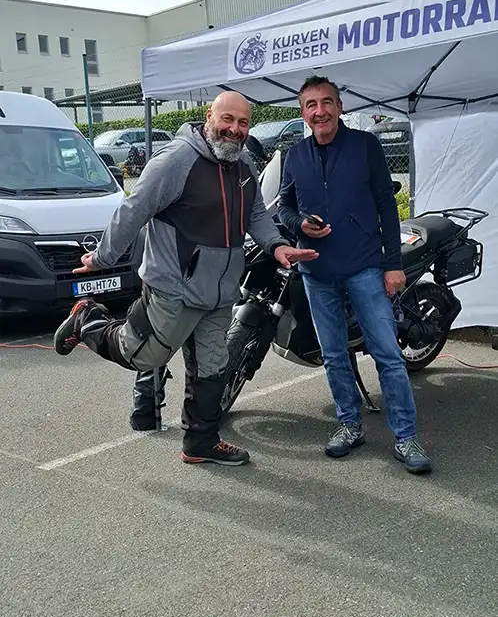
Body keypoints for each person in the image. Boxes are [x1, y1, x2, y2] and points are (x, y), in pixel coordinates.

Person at [53, 92, 318, 467]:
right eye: (228, 119)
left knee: (213, 366)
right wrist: (102, 258)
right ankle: (87, 319)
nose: (235, 129)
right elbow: (133, 209)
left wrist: (276, 246)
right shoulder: (177, 159)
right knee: (142, 355)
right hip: (174, 286)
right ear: (209, 116)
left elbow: (256, 213)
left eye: (243, 123)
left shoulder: (242, 163)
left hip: (220, 291)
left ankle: (200, 442)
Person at [278, 75, 432, 475]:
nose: (320, 111)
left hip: (365, 268)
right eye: (311, 105)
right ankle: (349, 425)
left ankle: (405, 436)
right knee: (333, 356)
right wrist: (299, 225)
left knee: (388, 355)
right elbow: (284, 208)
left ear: (340, 107)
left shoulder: (365, 146)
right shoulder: (294, 155)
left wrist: (393, 263)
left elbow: (386, 206)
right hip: (317, 272)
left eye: (326, 102)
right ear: (303, 112)